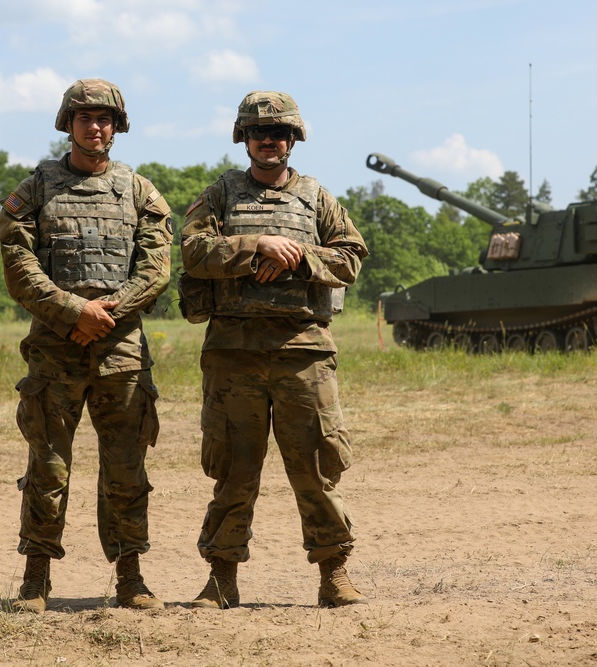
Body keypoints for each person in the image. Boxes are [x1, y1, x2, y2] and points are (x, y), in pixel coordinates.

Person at [179, 90, 370, 609]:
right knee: (234, 469)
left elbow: (351, 256)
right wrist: (255, 246)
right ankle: (221, 579)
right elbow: (193, 250)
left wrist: (297, 257)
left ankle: (334, 574)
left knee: (315, 467)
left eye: (280, 132)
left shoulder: (317, 198)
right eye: (260, 132)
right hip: (233, 356)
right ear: (244, 138)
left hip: (302, 353)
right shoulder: (219, 195)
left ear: (294, 139)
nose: (270, 140)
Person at [0, 79, 172, 613]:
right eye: (84, 118)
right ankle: (35, 578)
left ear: (117, 127)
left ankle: (131, 577)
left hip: (120, 352)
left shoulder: (141, 193)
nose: (95, 127)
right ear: (67, 124)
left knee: (125, 467)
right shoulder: (35, 189)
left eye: (104, 119)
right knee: (47, 466)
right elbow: (18, 265)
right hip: (55, 349)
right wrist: (74, 312)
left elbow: (156, 268)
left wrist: (106, 314)